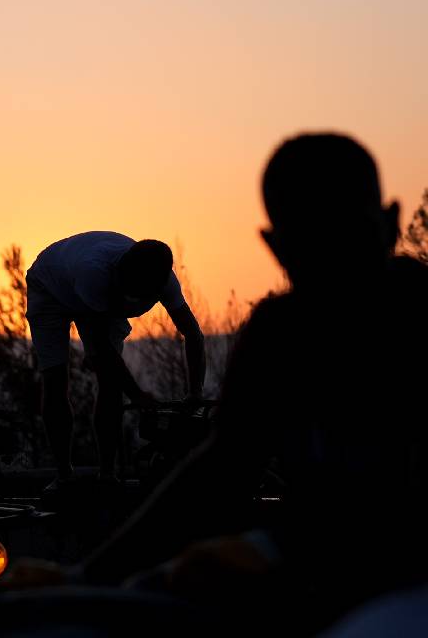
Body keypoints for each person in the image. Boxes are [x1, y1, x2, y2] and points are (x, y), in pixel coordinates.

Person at [27, 133, 428, 633]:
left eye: (350, 234)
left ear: (389, 225)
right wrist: (89, 576)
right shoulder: (279, 333)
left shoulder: (419, 312)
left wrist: (193, 394)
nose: (335, 262)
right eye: (312, 246)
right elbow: (222, 466)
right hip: (316, 564)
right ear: (276, 245)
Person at [26, 232, 206, 488]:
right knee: (55, 378)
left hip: (95, 294)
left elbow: (193, 333)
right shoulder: (94, 274)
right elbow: (103, 349)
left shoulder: (165, 281)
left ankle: (108, 475)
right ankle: (64, 476)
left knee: (110, 382)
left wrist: (195, 392)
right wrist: (137, 395)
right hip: (50, 287)